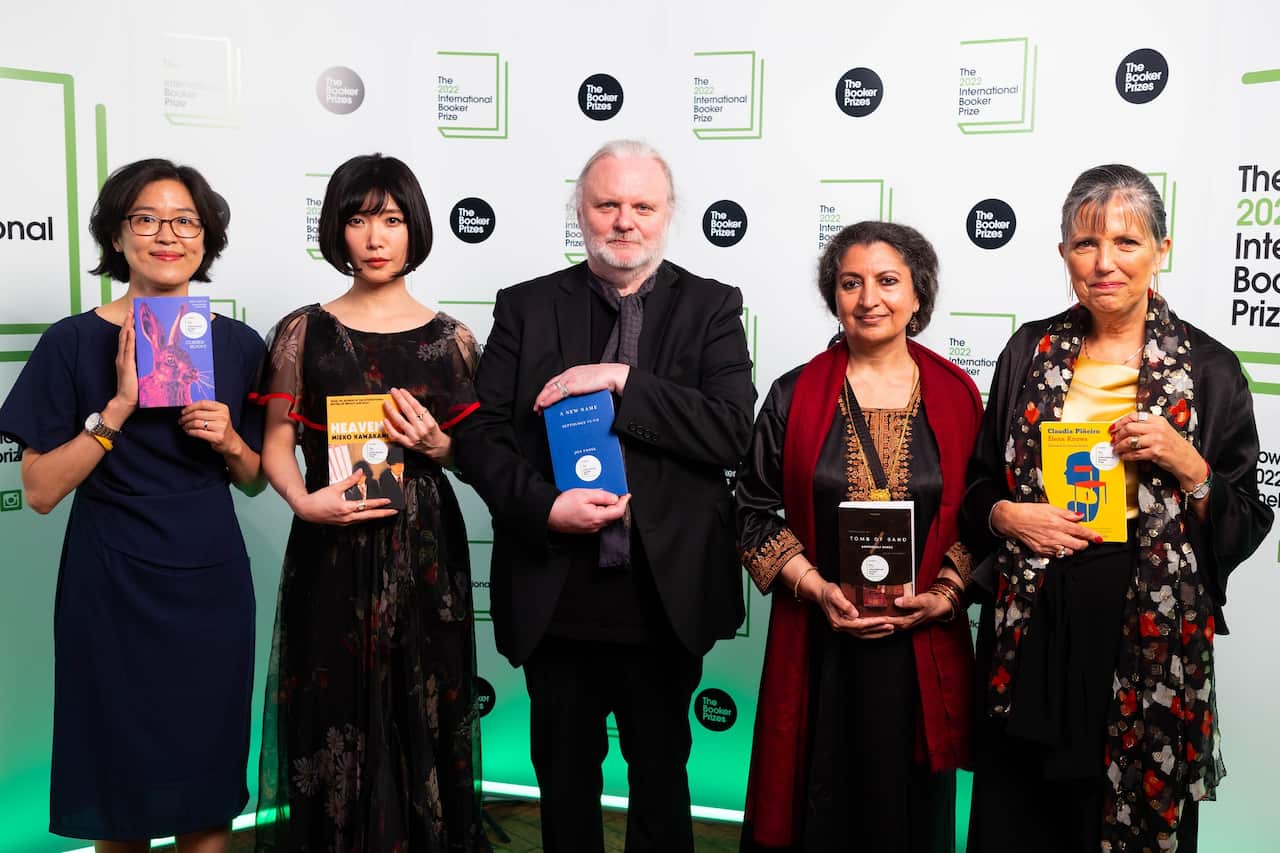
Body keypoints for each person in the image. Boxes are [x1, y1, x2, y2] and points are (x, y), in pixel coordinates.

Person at [452, 139, 755, 853]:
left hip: (664, 598)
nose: (624, 220)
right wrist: (544, 507)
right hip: (557, 595)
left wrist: (621, 379)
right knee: (563, 792)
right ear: (580, 212)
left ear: (668, 213)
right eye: (607, 204)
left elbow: (732, 431)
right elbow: (479, 437)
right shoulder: (526, 306)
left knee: (661, 788)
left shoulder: (711, 305)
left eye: (642, 205)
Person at [964, 164, 1275, 853]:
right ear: (1064, 253)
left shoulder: (1209, 368)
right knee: (1023, 811)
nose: (1104, 263)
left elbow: (1247, 518)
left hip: (1146, 624)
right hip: (1033, 615)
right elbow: (980, 484)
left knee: (1127, 813)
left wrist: (1187, 461)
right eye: (1086, 244)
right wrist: (1006, 517)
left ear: (1161, 250)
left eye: (1126, 242)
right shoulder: (1028, 350)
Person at [0, 158, 265, 852]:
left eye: (185, 221)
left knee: (206, 788)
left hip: (209, 584)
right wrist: (116, 409)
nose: (166, 235)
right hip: (110, 586)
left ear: (206, 238)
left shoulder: (238, 344)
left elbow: (253, 480)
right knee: (117, 790)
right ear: (117, 236)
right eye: (146, 219)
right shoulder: (70, 342)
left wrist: (230, 440)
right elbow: (40, 490)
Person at [253, 153, 487, 851]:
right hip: (331, 539)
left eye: (391, 219)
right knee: (332, 704)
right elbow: (276, 441)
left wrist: (441, 445)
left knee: (426, 701)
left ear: (415, 228)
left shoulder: (453, 340)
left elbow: (479, 457)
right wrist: (302, 502)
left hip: (426, 547)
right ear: (336, 229)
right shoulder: (304, 331)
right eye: (358, 220)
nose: (375, 237)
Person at [736, 221, 982, 852]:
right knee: (818, 804)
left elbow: (982, 516)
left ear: (918, 294)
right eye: (851, 283)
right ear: (834, 296)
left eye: (887, 281)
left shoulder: (957, 396)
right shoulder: (794, 393)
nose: (869, 298)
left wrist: (946, 594)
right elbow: (751, 511)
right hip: (821, 640)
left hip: (921, 642)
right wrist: (816, 589)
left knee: (910, 816)